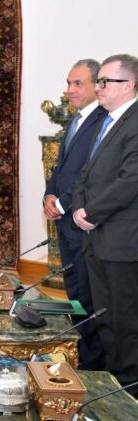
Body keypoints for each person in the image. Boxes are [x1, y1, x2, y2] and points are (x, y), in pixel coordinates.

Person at [72, 53, 138, 396]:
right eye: (98, 81)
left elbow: (131, 180)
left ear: (129, 85)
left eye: (105, 81)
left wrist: (91, 212)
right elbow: (86, 174)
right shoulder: (108, 121)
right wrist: (78, 208)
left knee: (126, 323)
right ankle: (114, 385)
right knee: (106, 319)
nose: (98, 87)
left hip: (123, 242)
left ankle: (130, 393)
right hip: (97, 239)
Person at [43, 59, 106, 370]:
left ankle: (93, 362)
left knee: (87, 293)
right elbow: (61, 167)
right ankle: (78, 348)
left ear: (97, 85)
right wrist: (48, 195)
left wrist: (62, 203)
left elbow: (88, 173)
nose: (70, 90)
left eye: (78, 83)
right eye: (68, 83)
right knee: (74, 289)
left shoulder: (102, 121)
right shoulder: (77, 119)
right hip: (64, 221)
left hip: (82, 222)